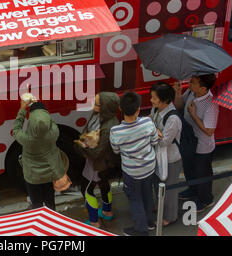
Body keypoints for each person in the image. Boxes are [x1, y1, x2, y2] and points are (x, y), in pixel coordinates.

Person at [110, 92, 158, 236]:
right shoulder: (147, 123)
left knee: (135, 199)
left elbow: (116, 150)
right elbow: (155, 141)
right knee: (148, 193)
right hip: (149, 167)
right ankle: (150, 222)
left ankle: (141, 229)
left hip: (131, 172)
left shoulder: (115, 131)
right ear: (138, 109)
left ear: (120, 108)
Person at [74, 92, 121, 228]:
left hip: (98, 164)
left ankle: (94, 222)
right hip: (103, 164)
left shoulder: (108, 127)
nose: (94, 106)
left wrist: (80, 147)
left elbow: (96, 153)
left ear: (106, 107)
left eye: (97, 104)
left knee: (86, 189)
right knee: (104, 184)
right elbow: (85, 132)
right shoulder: (98, 115)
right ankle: (107, 212)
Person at [173, 74, 219, 212]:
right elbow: (179, 105)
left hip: (202, 146)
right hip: (188, 141)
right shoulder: (192, 92)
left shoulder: (211, 105)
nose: (189, 84)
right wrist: (177, 92)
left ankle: (206, 199)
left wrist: (193, 114)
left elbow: (209, 131)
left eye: (193, 82)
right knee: (189, 169)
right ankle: (193, 189)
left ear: (203, 88)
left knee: (202, 173)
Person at [12, 99, 65, 211]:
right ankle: (53, 221)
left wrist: (22, 109)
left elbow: (16, 129)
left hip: (33, 178)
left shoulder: (27, 139)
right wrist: (43, 116)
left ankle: (40, 222)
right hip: (49, 174)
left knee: (37, 204)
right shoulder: (54, 133)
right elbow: (51, 122)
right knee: (50, 201)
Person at [150, 82, 182, 227]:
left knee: (170, 190)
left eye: (154, 98)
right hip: (158, 157)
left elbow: (164, 142)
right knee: (158, 185)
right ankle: (161, 207)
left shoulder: (173, 119)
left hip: (171, 159)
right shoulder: (156, 110)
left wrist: (153, 131)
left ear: (165, 100)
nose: (151, 100)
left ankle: (170, 217)